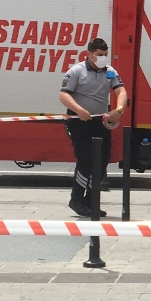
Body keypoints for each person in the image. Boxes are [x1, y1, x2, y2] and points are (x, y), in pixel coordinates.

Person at [58, 38, 126, 217]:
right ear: (89, 54)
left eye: (105, 55)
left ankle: (92, 201)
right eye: (99, 55)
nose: (102, 58)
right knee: (86, 159)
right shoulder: (77, 72)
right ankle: (77, 199)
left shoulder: (109, 72)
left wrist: (118, 110)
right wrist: (79, 110)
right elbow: (64, 95)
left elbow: (121, 91)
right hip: (80, 122)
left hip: (100, 122)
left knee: (102, 160)